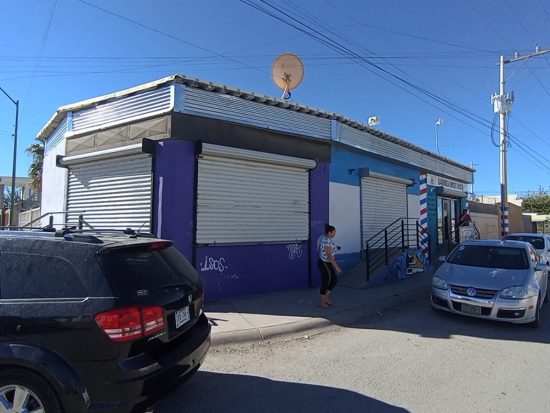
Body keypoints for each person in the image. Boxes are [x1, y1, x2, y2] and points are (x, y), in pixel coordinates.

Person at [317, 224, 342, 308]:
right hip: (325, 263)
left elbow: (329, 248)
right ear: (329, 232)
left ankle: (326, 298)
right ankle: (322, 302)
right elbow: (329, 256)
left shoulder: (327, 238)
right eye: (334, 232)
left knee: (333, 280)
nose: (335, 234)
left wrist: (336, 247)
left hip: (327, 262)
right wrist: (336, 267)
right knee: (326, 281)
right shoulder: (327, 241)